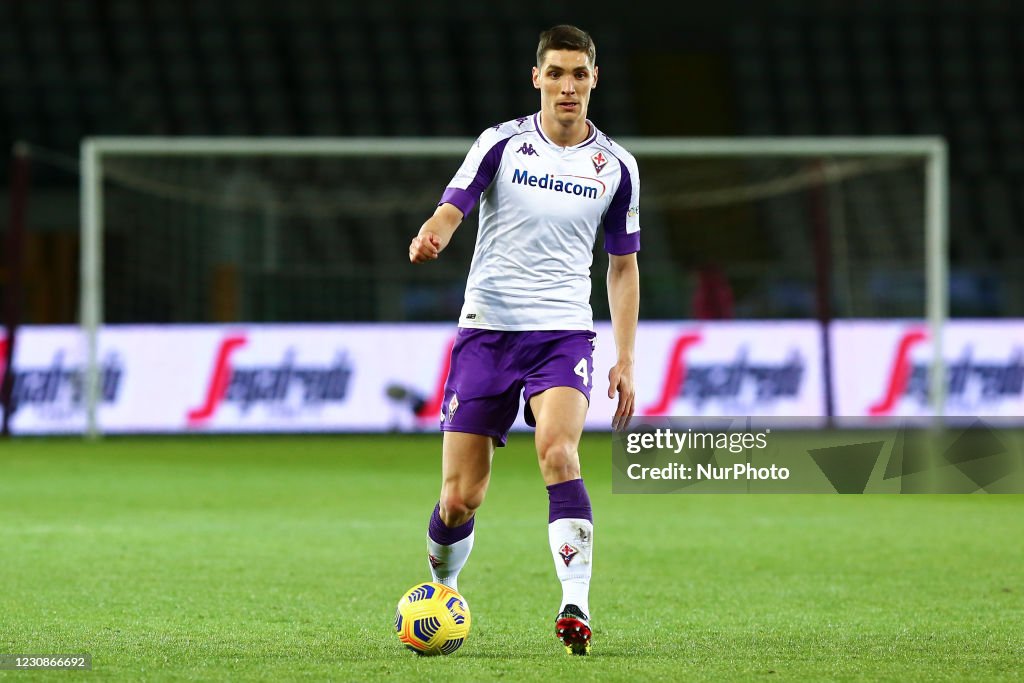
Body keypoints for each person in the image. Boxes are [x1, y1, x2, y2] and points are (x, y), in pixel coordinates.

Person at [408, 24, 640, 656]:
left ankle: (575, 605)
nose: (568, 86)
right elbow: (454, 203)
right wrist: (436, 230)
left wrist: (624, 357)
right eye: (556, 73)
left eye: (579, 74)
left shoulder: (617, 167)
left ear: (596, 79)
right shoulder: (501, 144)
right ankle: (442, 589)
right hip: (486, 333)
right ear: (536, 78)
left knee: (559, 453)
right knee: (461, 498)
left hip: (563, 334)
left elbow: (622, 265)